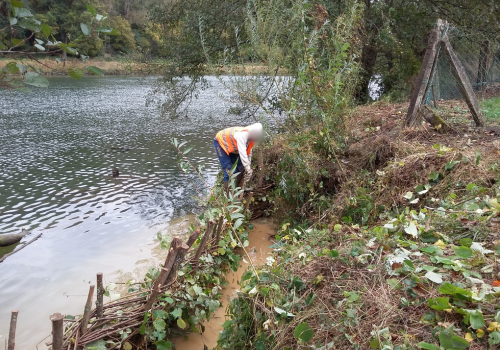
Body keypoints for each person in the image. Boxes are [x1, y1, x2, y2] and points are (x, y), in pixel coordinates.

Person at [214, 123, 264, 191]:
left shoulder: (252, 138)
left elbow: (248, 152)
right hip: (221, 144)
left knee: (240, 168)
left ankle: (239, 188)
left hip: (232, 147)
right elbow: (243, 153)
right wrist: (248, 169)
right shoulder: (242, 135)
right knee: (229, 170)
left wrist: (248, 167)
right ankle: (229, 195)